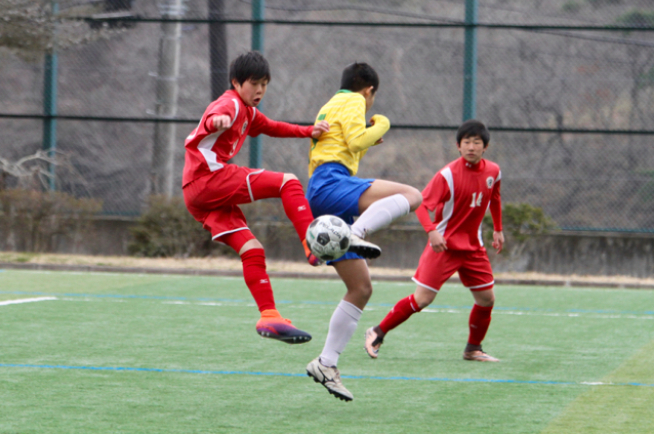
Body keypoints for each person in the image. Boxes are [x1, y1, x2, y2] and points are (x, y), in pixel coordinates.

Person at [182, 50, 329, 344]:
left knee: (252, 249)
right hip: (209, 179)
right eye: (254, 83)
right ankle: (313, 243)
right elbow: (215, 115)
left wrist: (309, 132)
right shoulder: (231, 104)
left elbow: (273, 127)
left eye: (264, 84)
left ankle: (270, 317)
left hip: (198, 195)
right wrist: (217, 122)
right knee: (288, 182)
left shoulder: (248, 112)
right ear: (236, 82)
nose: (260, 90)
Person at [305, 62, 423, 401]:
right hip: (332, 181)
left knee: (360, 288)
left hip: (322, 186)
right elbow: (357, 142)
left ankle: (326, 363)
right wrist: (381, 123)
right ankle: (357, 230)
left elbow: (348, 141)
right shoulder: (355, 101)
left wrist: (369, 136)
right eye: (373, 99)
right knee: (413, 195)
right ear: (368, 90)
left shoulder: (330, 103)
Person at [364, 119, 504, 364]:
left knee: (486, 299)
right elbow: (420, 204)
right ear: (458, 146)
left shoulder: (493, 171)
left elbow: (495, 198)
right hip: (444, 247)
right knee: (422, 300)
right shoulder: (447, 175)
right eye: (466, 142)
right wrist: (431, 231)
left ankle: (473, 349)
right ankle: (378, 331)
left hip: (473, 248)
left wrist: (498, 230)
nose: (471, 147)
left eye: (477, 142)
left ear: (486, 147)